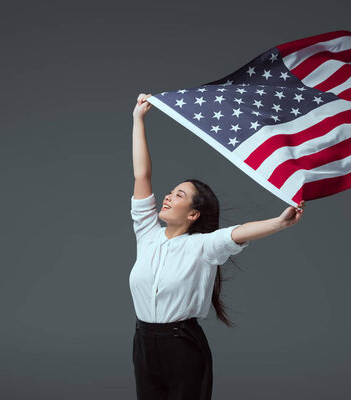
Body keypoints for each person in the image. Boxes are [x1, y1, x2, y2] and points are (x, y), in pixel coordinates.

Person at [130, 92, 306, 400]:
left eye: (179, 195)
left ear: (194, 214)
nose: (169, 197)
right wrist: (138, 119)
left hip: (182, 346)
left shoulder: (203, 246)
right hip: (143, 343)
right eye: (171, 191)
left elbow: (239, 233)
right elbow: (141, 173)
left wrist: (279, 222)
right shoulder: (147, 233)